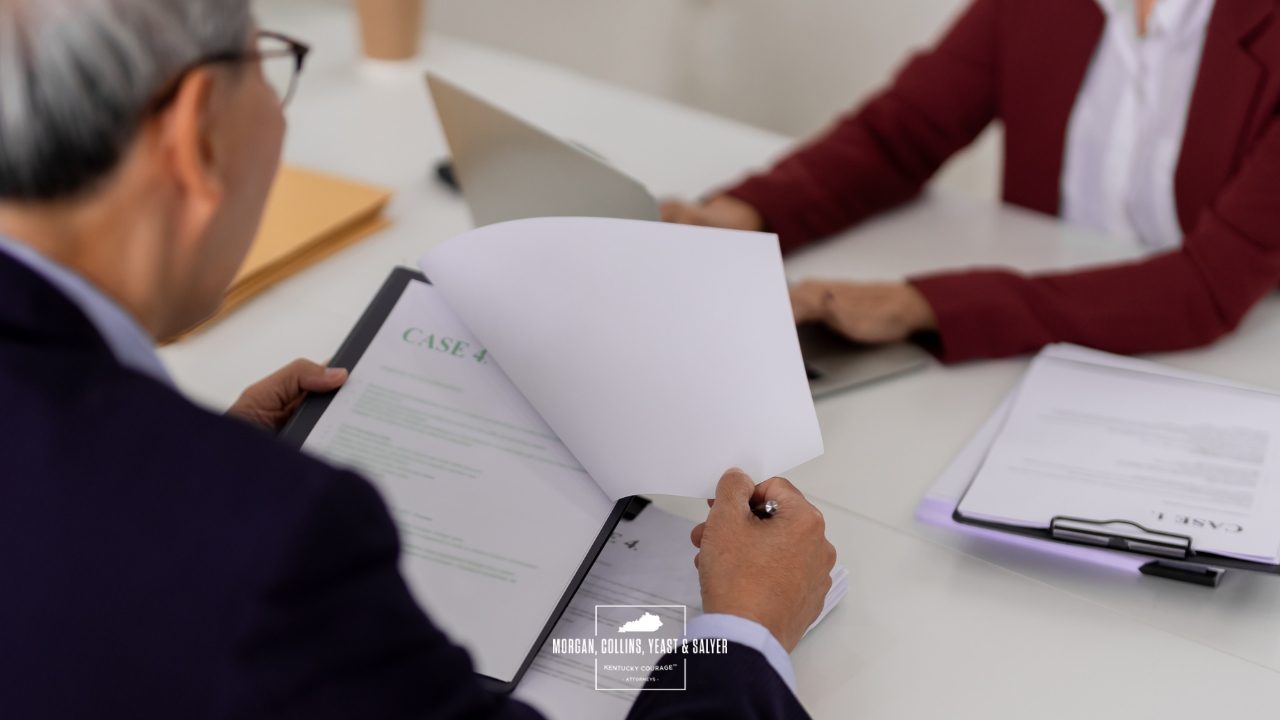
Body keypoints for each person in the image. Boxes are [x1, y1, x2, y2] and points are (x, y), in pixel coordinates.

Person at [0, 2, 835, 718]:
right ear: (196, 135)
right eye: (266, 66)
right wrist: (746, 631)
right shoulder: (277, 540)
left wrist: (195, 465)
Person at [664, 0, 1280, 364]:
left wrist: (924, 305)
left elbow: (1208, 285)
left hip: (1224, 362)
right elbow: (905, 130)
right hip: (1045, 333)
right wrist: (748, 211)